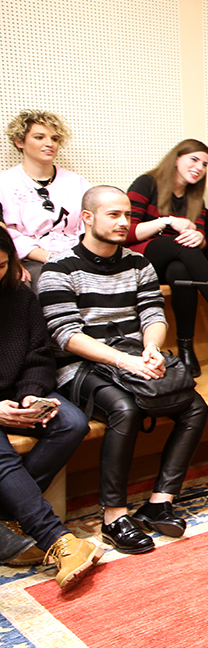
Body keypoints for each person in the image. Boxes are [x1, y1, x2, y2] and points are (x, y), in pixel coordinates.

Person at [39, 186, 208, 555]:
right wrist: (122, 360)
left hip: (133, 359)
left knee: (194, 405)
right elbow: (67, 336)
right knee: (124, 409)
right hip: (80, 367)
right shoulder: (58, 268)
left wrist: (151, 349)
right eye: (113, 214)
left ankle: (160, 502)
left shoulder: (139, 264)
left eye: (127, 215)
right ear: (87, 218)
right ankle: (113, 518)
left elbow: (153, 315)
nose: (123, 222)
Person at [0, 225, 101, 590]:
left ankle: (9, 515)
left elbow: (40, 355)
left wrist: (31, 395)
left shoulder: (20, 297)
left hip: (19, 393)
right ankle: (59, 541)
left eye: (0, 266)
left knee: (72, 422)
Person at [127, 139, 208, 376]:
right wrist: (167, 222)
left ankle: (186, 348)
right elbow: (126, 232)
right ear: (176, 159)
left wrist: (200, 237)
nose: (199, 167)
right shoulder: (147, 183)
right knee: (183, 247)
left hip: (176, 261)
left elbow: (201, 239)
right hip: (142, 255)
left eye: (205, 164)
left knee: (181, 272)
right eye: (194, 159)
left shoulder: (195, 197)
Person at [0, 111, 90, 290]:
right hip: (32, 259)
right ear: (19, 142)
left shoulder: (77, 182)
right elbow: (7, 233)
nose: (49, 144)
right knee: (48, 281)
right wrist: (48, 257)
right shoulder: (5, 183)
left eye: (55, 139)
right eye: (39, 137)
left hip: (78, 254)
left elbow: (90, 224)